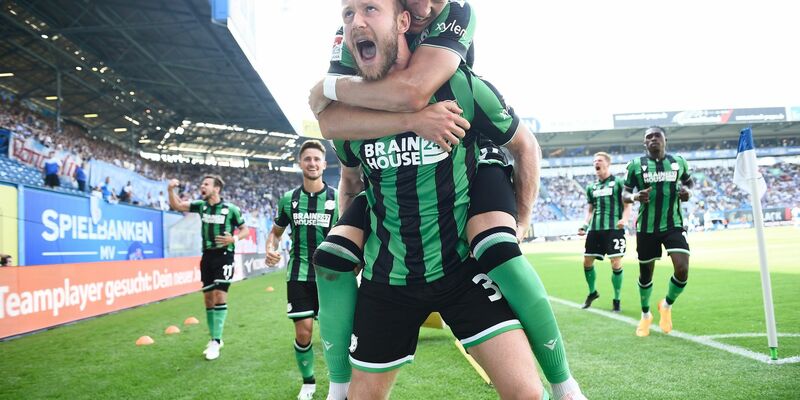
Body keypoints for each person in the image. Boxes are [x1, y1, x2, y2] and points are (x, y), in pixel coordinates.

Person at [310, 1, 583, 399]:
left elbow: (525, 147)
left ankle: (565, 385)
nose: (357, 21)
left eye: (370, 9)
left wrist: (521, 220)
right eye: (348, 14)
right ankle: (337, 387)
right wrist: (347, 236)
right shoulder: (349, 114)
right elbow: (351, 178)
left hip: (461, 272)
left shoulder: (463, 86)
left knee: (527, 395)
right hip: (388, 280)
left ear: (403, 21)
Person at [265, 140, 339, 400]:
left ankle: (339, 384)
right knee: (304, 331)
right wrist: (270, 248)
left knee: (336, 334)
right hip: (298, 274)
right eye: (307, 158)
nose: (312, 163)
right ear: (301, 163)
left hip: (331, 277)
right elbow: (275, 233)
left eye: (317, 159)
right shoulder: (289, 200)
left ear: (324, 164)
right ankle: (308, 383)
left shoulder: (336, 198)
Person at [167, 174, 249, 360]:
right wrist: (170, 190)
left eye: (206, 184)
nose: (201, 186)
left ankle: (216, 340)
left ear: (216, 188)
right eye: (201, 183)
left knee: (220, 295)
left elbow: (244, 229)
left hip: (225, 256)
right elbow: (178, 205)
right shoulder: (201, 206)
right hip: (207, 256)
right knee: (208, 299)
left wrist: (233, 238)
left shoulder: (231, 209)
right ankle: (215, 339)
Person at [623, 126, 693, 337]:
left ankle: (667, 305)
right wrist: (635, 197)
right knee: (646, 275)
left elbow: (689, 182)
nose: (653, 139)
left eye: (657, 136)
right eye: (648, 137)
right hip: (646, 227)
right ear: (645, 143)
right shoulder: (636, 165)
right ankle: (646, 315)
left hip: (673, 224)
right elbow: (625, 193)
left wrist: (687, 192)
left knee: (682, 269)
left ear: (664, 140)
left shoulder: (679, 162)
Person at [577, 152, 631, 312]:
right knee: (587, 261)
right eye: (594, 161)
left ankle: (617, 299)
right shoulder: (591, 187)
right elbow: (590, 210)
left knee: (615, 263)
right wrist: (584, 225)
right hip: (595, 229)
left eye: (599, 160)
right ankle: (593, 292)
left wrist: (625, 220)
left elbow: (627, 205)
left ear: (607, 164)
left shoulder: (619, 183)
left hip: (614, 228)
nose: (596, 163)